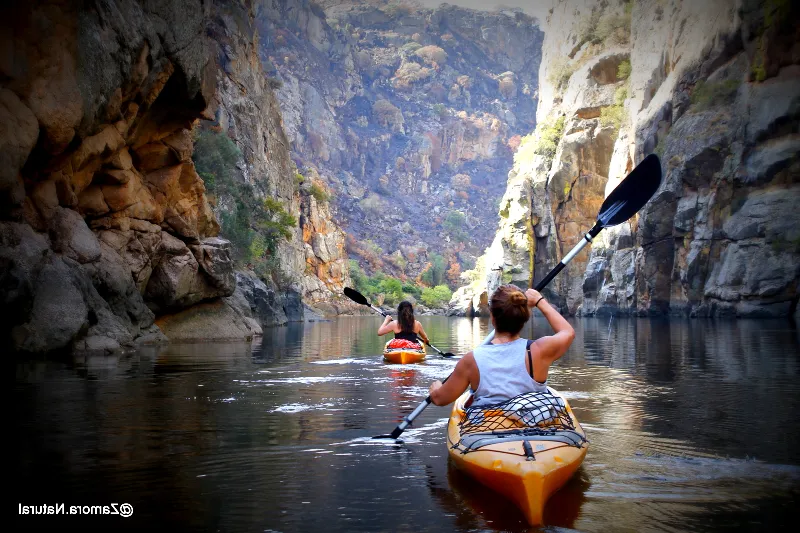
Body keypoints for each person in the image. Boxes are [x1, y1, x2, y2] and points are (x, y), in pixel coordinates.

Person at [428, 284, 575, 407]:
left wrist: (436, 389)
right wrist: (540, 301)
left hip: (490, 429)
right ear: (525, 317)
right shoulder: (539, 350)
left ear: (492, 317)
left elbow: (440, 399)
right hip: (533, 425)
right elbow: (568, 332)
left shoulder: (471, 360)